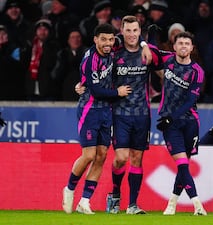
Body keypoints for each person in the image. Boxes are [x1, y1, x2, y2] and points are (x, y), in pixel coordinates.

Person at [62, 23, 132, 215]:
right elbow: (95, 90)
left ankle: (84, 201)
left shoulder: (113, 47)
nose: (108, 43)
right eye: (103, 39)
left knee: (101, 156)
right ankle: (69, 188)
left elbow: (131, 39)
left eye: (110, 39)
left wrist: (143, 45)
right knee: (89, 155)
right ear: (95, 39)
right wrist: (117, 92)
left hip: (106, 111)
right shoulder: (89, 60)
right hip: (90, 109)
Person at [107, 15, 163, 215]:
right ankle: (115, 194)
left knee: (137, 159)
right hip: (119, 112)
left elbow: (163, 71)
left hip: (142, 114)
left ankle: (132, 205)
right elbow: (106, 44)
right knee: (121, 158)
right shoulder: (115, 51)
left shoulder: (148, 53)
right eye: (128, 30)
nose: (131, 34)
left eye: (135, 30)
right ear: (122, 31)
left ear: (140, 31)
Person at [155, 31, 207, 216]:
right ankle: (198, 204)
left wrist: (171, 116)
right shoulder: (168, 60)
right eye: (180, 43)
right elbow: (152, 55)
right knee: (183, 164)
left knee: (183, 166)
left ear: (192, 48)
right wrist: (152, 39)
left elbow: (190, 101)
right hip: (171, 125)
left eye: (187, 43)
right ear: (174, 47)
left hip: (190, 122)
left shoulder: (197, 72)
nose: (184, 46)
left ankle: (172, 203)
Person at [51, 28, 88, 101]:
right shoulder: (62, 54)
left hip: (85, 94)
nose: (75, 40)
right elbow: (55, 75)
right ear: (68, 40)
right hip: (67, 93)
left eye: (78, 37)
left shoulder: (88, 53)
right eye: (73, 37)